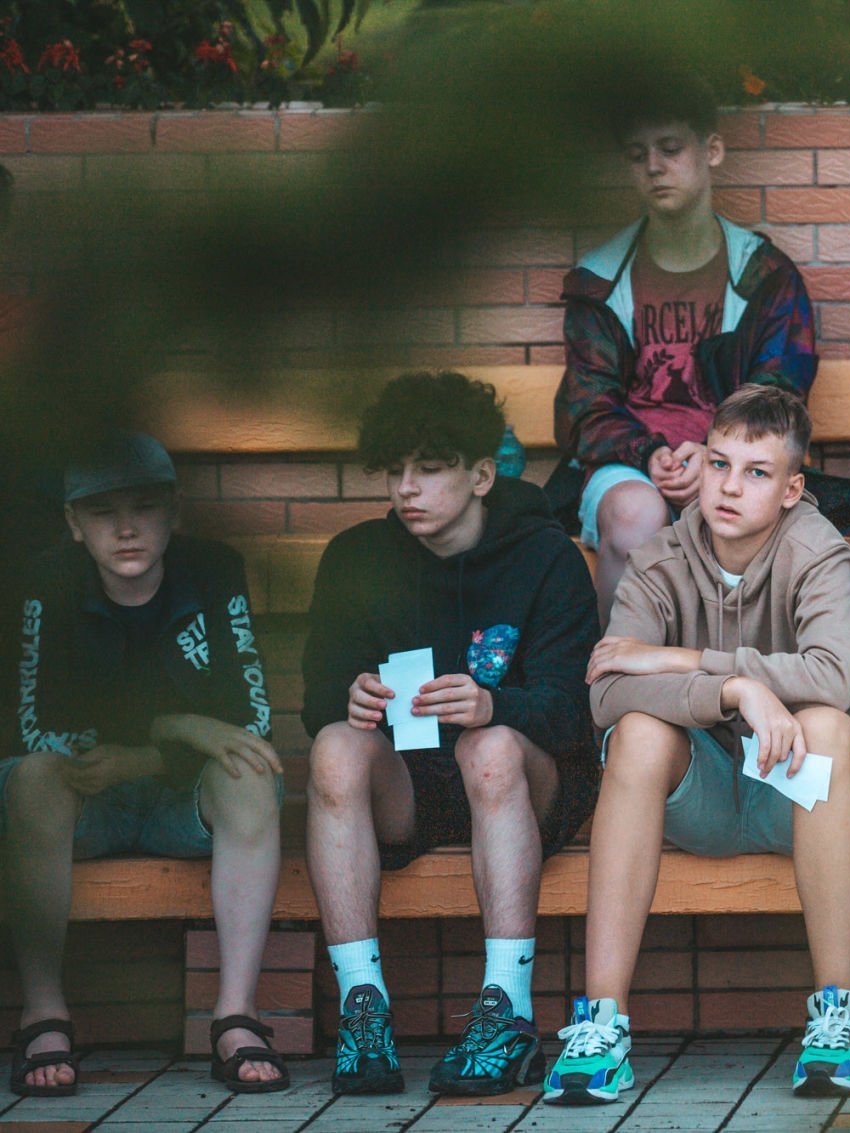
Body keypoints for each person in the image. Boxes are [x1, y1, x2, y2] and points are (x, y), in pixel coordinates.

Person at [545, 385, 850, 1104]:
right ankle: (601, 1027)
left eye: (757, 472)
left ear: (792, 488)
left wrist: (687, 661)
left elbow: (831, 676)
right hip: (702, 794)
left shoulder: (818, 549)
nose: (730, 487)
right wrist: (733, 692)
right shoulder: (661, 556)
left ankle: (838, 1020)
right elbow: (606, 692)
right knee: (637, 734)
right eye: (719, 463)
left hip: (803, 794)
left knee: (825, 726)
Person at [302, 371, 599, 1097]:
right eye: (395, 470)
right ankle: (362, 1008)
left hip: (523, 786)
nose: (407, 488)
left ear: (480, 476)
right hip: (408, 787)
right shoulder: (356, 557)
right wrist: (352, 698)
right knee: (335, 746)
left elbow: (573, 710)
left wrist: (494, 705)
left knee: (487, 748)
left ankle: (508, 1013)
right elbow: (317, 706)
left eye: (430, 469)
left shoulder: (545, 555)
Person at [4, 432, 287, 1096]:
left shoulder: (213, 569)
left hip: (177, 802)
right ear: (74, 522)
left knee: (250, 771)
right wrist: (179, 723)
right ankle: (43, 1014)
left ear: (175, 511)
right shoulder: (46, 580)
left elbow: (249, 720)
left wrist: (153, 749)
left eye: (144, 507)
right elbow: (36, 724)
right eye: (103, 512)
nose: (126, 528)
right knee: (34, 775)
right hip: (84, 800)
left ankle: (235, 1015)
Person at [550, 75, 818, 624]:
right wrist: (649, 453)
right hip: (629, 465)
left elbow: (780, 394)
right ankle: (618, 675)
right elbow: (585, 406)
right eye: (637, 155)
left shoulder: (763, 275)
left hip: (736, 459)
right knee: (635, 516)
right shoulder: (600, 279)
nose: (653, 166)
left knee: (732, 507)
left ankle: (723, 676)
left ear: (711, 150)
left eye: (670, 148)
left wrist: (715, 454)